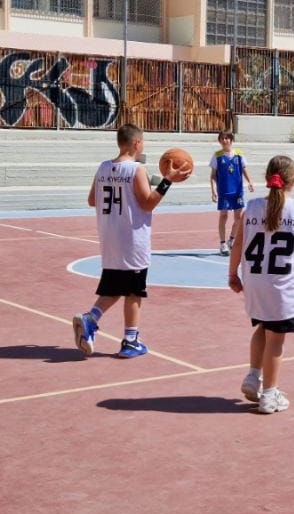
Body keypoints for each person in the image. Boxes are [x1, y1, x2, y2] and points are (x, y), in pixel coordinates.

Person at [70, 124, 191, 359]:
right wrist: (167, 181)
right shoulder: (136, 169)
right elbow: (147, 202)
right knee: (134, 292)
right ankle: (130, 341)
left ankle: (91, 318)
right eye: (142, 141)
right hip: (132, 238)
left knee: (116, 288)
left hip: (109, 238)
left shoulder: (104, 167)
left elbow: (92, 200)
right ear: (137, 143)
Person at [228, 155, 294, 414]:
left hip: (255, 281)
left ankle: (253, 376)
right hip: (282, 285)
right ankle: (270, 394)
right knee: (276, 340)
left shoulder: (252, 208)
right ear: (293, 181)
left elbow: (237, 244)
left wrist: (232, 274)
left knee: (262, 326)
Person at [210, 131, 254, 256]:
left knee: (238, 218)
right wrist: (213, 190)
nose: (225, 141)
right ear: (220, 141)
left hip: (237, 191)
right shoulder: (217, 156)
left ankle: (231, 240)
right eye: (222, 138)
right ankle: (222, 243)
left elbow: (244, 170)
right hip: (224, 191)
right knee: (223, 216)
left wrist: (250, 181)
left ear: (231, 140)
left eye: (227, 138)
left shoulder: (239, 154)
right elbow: (213, 176)